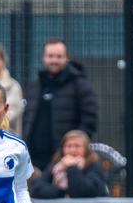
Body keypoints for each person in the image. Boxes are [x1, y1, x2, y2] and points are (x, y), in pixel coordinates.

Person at [21, 38, 97, 171]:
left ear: (67, 58)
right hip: (34, 160)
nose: (54, 60)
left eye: (59, 56)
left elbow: (89, 120)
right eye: (50, 56)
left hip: (65, 158)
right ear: (44, 58)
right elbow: (26, 119)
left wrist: (74, 148)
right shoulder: (35, 86)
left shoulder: (80, 86)